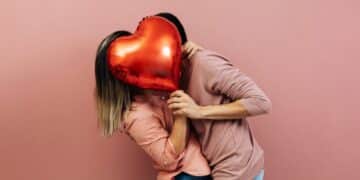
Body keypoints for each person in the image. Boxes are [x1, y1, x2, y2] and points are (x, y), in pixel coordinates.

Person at [153, 12, 271, 180]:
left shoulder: (205, 63)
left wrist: (199, 111)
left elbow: (261, 102)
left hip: (239, 170)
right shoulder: (175, 76)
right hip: (221, 169)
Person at [94, 30, 212, 180]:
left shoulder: (151, 86)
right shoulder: (136, 115)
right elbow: (168, 160)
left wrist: (193, 55)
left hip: (204, 168)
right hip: (189, 176)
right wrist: (181, 113)